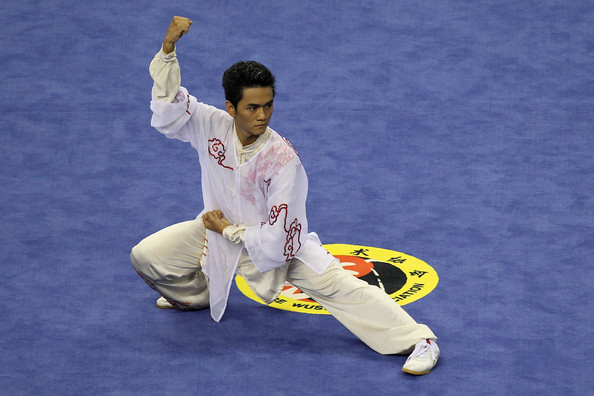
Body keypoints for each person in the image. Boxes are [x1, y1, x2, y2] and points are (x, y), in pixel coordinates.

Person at [130, 16, 440, 375]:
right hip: (217, 232)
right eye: (252, 107)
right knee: (147, 256)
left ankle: (419, 340)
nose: (263, 116)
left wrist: (230, 230)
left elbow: (280, 239)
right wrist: (168, 51)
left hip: (275, 248)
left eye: (268, 106)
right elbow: (169, 110)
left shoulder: (282, 159)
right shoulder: (210, 124)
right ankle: (198, 295)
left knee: (343, 289)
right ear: (230, 108)